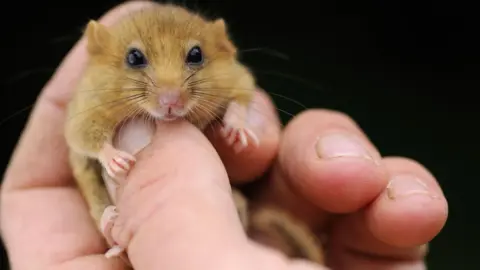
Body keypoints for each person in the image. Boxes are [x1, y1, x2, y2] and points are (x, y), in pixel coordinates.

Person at [0, 1, 448, 269]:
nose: (171, 90)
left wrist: (235, 113)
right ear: (103, 56)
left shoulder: (218, 77)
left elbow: (241, 87)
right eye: (138, 61)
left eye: (193, 58)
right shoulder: (97, 91)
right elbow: (79, 135)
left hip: (233, 209)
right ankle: (111, 222)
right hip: (105, 202)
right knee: (96, 183)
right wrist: (106, 147)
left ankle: (248, 228)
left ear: (215, 49)